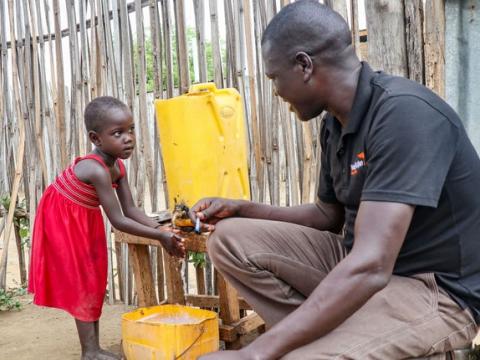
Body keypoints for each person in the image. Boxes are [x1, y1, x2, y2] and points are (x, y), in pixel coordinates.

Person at [191, 1, 480, 359]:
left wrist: (255, 353)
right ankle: (319, 339)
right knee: (231, 239)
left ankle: (310, 346)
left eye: (274, 78)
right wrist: (244, 208)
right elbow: (327, 216)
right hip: (358, 263)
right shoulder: (335, 123)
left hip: (434, 289)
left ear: (304, 65)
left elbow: (373, 265)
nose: (276, 91)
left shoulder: (405, 115)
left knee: (295, 356)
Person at [28, 96, 185, 360]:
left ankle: (93, 349)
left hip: (83, 218)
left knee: (94, 276)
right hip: (63, 220)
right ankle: (90, 352)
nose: (128, 138)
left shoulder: (117, 166)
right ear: (96, 138)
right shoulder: (96, 169)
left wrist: (164, 229)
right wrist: (160, 236)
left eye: (131, 129)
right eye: (118, 133)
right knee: (83, 280)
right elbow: (118, 220)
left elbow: (132, 211)